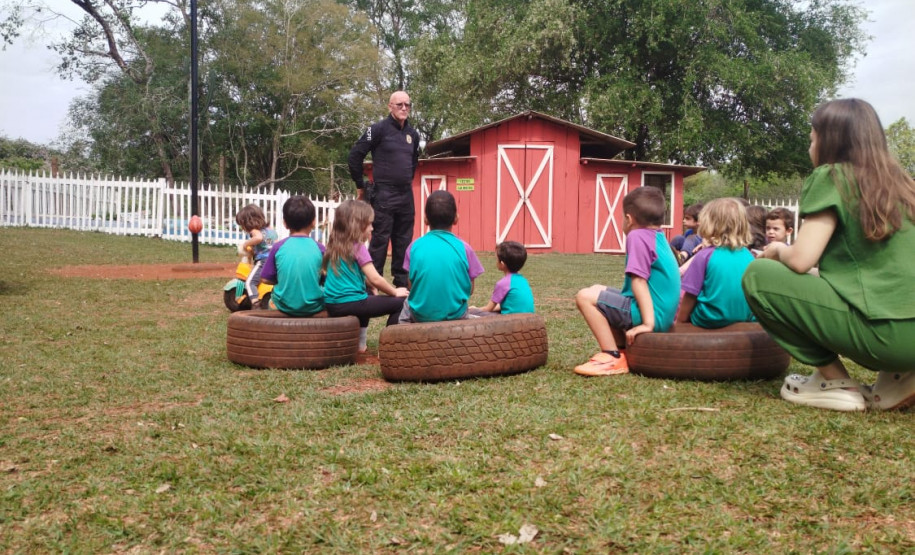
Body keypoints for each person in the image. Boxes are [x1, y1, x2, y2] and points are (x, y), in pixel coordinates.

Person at [742, 98, 915, 412]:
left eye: (811, 139)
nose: (810, 147)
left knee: (758, 277)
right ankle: (901, 375)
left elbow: (801, 260)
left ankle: (835, 382)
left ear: (829, 141)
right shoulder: (905, 187)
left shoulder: (832, 177)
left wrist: (778, 249)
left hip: (884, 340)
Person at [573, 187, 681, 376]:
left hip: (651, 315)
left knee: (584, 297)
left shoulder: (637, 236)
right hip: (661, 313)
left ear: (629, 219)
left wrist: (648, 323)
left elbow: (639, 281)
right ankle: (623, 350)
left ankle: (612, 356)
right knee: (597, 289)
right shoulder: (657, 236)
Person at [347, 91, 421, 288]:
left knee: (404, 242)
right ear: (390, 106)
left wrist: (405, 180)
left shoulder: (413, 134)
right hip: (383, 195)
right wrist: (360, 186)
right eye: (399, 105)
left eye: (407, 104)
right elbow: (355, 156)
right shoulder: (377, 129)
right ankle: (372, 285)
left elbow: (414, 162)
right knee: (379, 241)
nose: (404, 108)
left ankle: (402, 286)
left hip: (405, 195)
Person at [322, 200, 409, 352]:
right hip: (352, 303)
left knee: (367, 293)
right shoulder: (358, 247)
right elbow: (375, 278)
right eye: (369, 224)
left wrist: (369, 285)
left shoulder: (334, 245)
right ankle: (390, 345)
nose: (372, 228)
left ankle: (360, 344)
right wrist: (395, 292)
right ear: (357, 225)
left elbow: (357, 276)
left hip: (332, 303)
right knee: (402, 302)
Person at [398, 190, 484, 323]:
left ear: (426, 219)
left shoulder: (414, 247)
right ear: (456, 218)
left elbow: (411, 285)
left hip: (421, 316)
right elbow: (470, 289)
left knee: (407, 304)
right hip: (456, 315)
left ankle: (403, 333)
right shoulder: (464, 248)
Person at [678, 198, 756, 328]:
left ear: (708, 224)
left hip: (709, 318)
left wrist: (680, 322)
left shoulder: (704, 255)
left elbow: (690, 295)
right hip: (744, 316)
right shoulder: (748, 255)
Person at [260, 196, 326, 317]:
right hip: (314, 306)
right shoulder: (321, 249)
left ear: (285, 223)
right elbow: (327, 278)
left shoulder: (278, 247)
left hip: (283, 305)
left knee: (271, 301)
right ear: (314, 221)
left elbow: (265, 279)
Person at [469, 240, 535, 316]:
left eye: (497, 259)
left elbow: (488, 309)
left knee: (472, 313)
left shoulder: (503, 283)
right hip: (527, 318)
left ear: (502, 264)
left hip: (511, 321)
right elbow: (505, 305)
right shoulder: (523, 280)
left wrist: (475, 309)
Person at [235, 204, 278, 309]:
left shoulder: (255, 231)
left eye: (242, 224)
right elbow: (274, 243)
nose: (242, 228)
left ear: (247, 222)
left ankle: (255, 303)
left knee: (250, 282)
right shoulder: (270, 230)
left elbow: (258, 238)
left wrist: (246, 244)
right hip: (275, 260)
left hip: (264, 261)